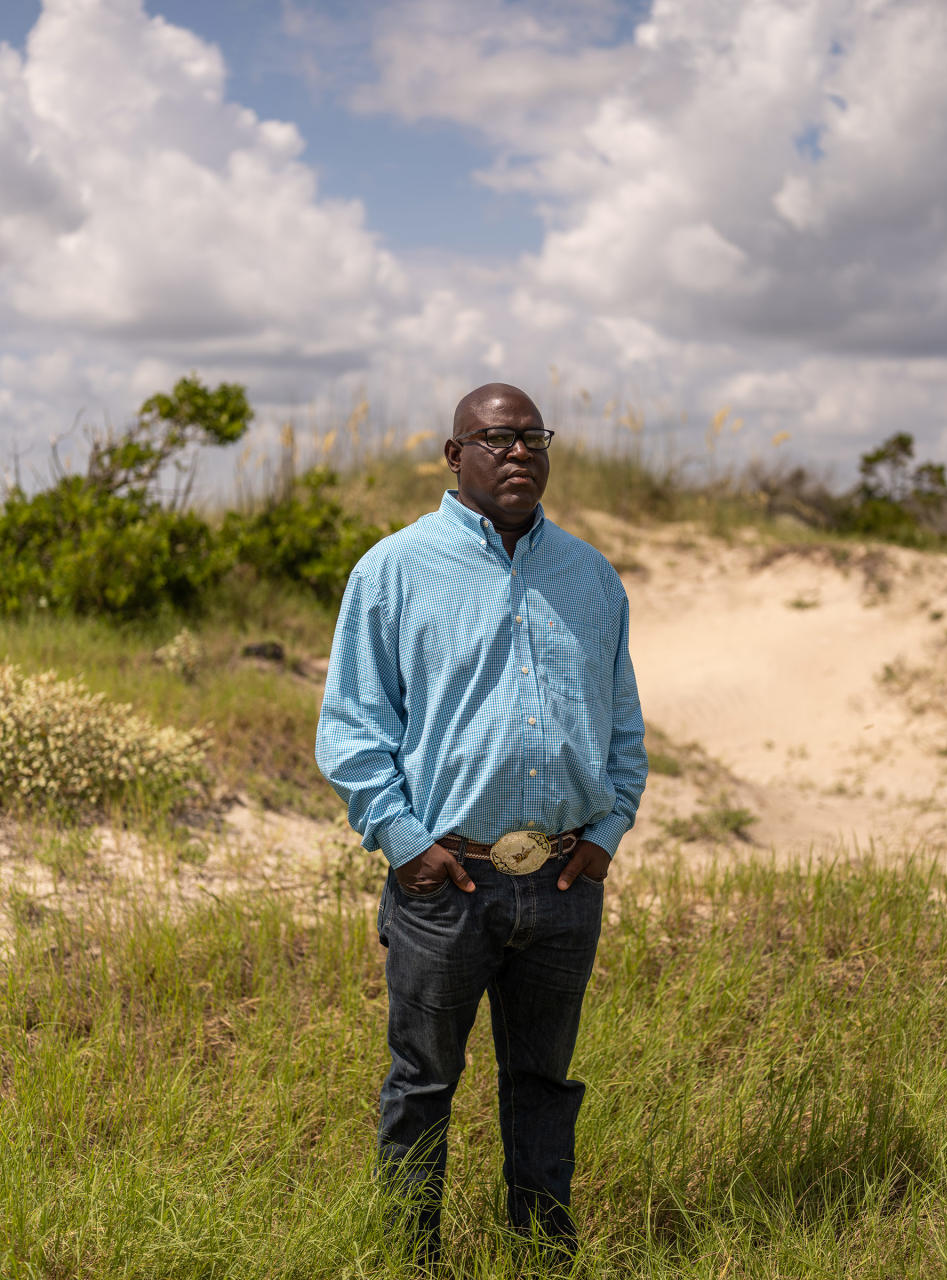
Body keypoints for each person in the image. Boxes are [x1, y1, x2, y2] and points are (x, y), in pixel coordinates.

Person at [316, 382, 647, 1266]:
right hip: (446, 884)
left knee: (544, 1083)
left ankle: (543, 1253)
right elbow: (351, 728)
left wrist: (608, 832)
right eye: (495, 438)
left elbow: (623, 726)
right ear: (453, 456)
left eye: (533, 436)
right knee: (422, 1085)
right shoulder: (392, 569)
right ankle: (408, 1256)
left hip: (565, 881)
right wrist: (406, 844)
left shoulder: (590, 574)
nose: (517, 452)